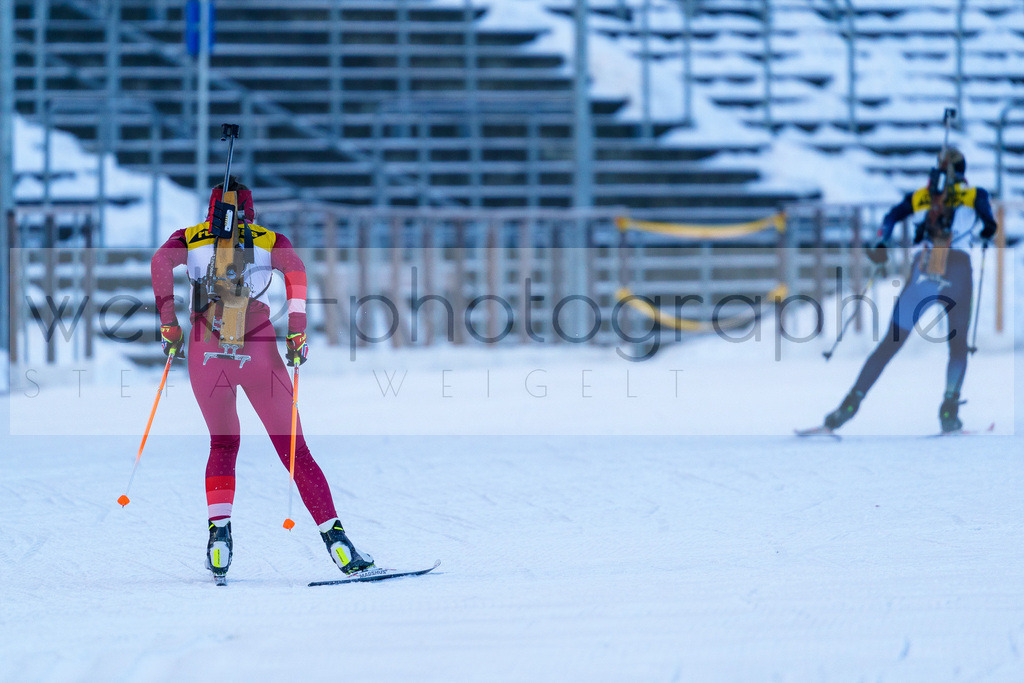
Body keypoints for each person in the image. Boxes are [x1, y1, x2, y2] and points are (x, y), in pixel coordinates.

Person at [150, 177, 374, 580]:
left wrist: (169, 323)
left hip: (205, 349)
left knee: (223, 443)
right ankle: (338, 543)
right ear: (250, 209)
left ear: (212, 207)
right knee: (295, 451)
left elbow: (159, 263)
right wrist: (298, 329)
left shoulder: (189, 236)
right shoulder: (271, 239)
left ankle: (219, 539)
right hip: (257, 347)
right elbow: (297, 273)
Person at [822, 148, 998, 433]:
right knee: (957, 347)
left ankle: (849, 405)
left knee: (889, 344)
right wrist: (987, 231)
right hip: (958, 271)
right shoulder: (975, 194)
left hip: (924, 269)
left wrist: (882, 242)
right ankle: (949, 410)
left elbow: (891, 216)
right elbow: (989, 223)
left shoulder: (925, 195)